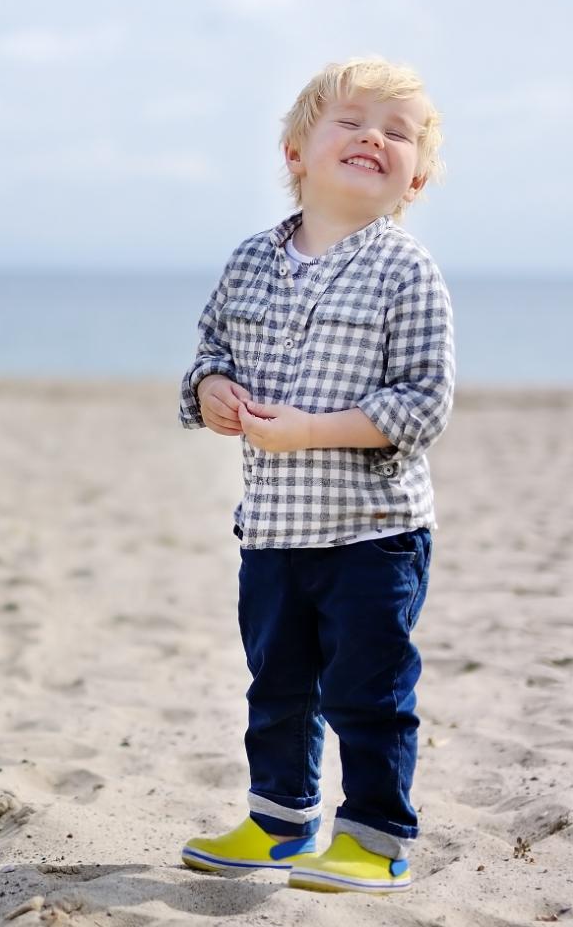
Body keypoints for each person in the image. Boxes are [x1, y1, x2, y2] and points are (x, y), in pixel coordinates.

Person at [176, 56, 455, 894]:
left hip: (373, 531)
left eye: (398, 133)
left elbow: (422, 405)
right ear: (297, 152)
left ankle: (374, 837)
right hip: (272, 527)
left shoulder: (405, 272)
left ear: (417, 177)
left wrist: (310, 432)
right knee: (279, 685)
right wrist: (214, 392)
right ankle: (279, 823)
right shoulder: (250, 262)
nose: (374, 136)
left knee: (369, 692)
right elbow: (209, 358)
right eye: (352, 120)